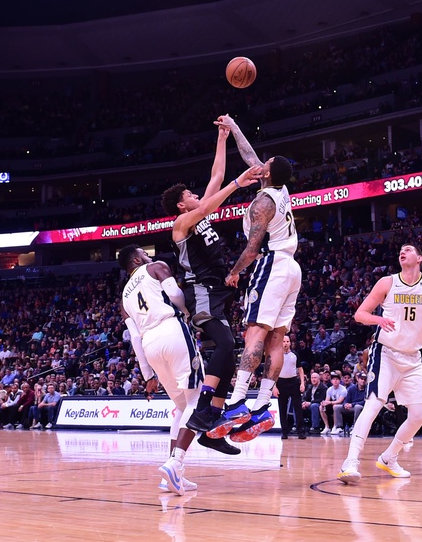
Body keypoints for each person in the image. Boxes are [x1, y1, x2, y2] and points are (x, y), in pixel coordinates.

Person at [337, 243, 422, 484]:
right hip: (387, 353)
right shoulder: (387, 283)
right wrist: (378, 319)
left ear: (419, 257)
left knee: (417, 416)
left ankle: (389, 457)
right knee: (373, 404)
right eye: (400, 250)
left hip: (412, 357)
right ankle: (350, 461)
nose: (402, 252)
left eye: (408, 249)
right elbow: (360, 314)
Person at [162, 126, 263, 442]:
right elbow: (209, 202)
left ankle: (213, 423)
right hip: (201, 290)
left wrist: (221, 139)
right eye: (189, 195)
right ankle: (205, 405)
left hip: (220, 288)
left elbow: (216, 177)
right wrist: (239, 182)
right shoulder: (181, 223)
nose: (196, 196)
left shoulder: (198, 214)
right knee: (227, 345)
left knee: (229, 354)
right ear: (181, 205)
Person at [216, 114, 303, 443]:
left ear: (266, 173)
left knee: (255, 332)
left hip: (272, 266)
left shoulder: (263, 203)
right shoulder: (278, 189)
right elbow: (251, 157)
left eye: (264, 164)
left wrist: (234, 271)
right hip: (292, 268)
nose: (258, 163)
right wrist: (234, 126)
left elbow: (252, 248)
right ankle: (263, 405)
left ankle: (237, 401)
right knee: (276, 339)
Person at [119, 244, 224, 495]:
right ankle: (174, 463)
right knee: (196, 401)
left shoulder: (123, 297)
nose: (149, 255)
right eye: (144, 253)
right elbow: (175, 293)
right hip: (171, 329)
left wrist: (147, 374)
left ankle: (172, 476)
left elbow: (133, 337)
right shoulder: (156, 268)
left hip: (149, 344)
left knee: (180, 407)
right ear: (136, 259)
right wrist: (187, 312)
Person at [276, 335, 306, 439]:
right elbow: (273, 372)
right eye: (283, 341)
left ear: (290, 343)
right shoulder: (277, 355)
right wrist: (274, 387)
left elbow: (300, 369)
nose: (285, 343)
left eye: (287, 341)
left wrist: (302, 383)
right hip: (281, 382)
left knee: (298, 408)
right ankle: (284, 432)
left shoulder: (295, 355)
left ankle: (300, 431)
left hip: (293, 381)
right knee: (282, 408)